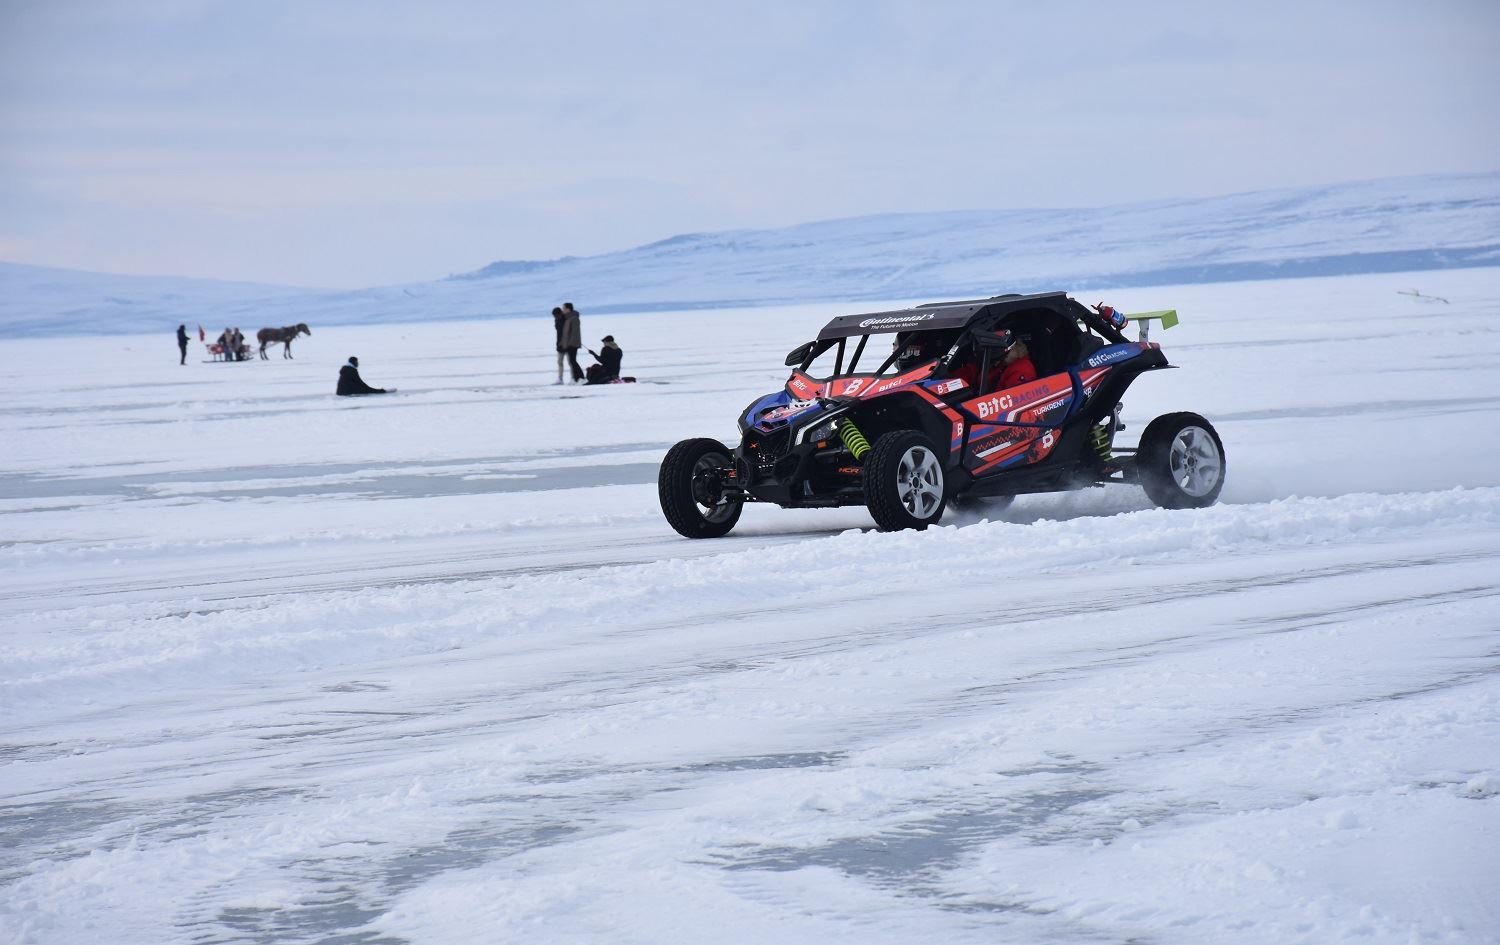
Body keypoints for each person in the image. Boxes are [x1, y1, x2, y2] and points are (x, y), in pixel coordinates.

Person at [954, 329, 1036, 392]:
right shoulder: (998, 363)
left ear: (1019, 350)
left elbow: (1011, 399)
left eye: (1007, 353)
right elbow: (971, 372)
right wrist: (949, 379)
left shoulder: (1023, 368)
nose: (1002, 356)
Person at [558, 302, 584, 383]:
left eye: (564, 308)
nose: (562, 310)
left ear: (568, 309)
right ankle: (577, 379)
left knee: (573, 361)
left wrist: (570, 344)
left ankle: (581, 378)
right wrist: (562, 343)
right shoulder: (567, 318)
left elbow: (575, 333)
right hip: (568, 344)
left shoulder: (574, 318)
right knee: (572, 362)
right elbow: (565, 334)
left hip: (573, 344)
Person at [551, 307, 566, 384]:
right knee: (559, 361)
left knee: (571, 362)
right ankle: (560, 378)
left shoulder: (566, 319)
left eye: (556, 315)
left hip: (567, 343)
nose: (555, 317)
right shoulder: (557, 320)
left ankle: (574, 378)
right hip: (559, 344)